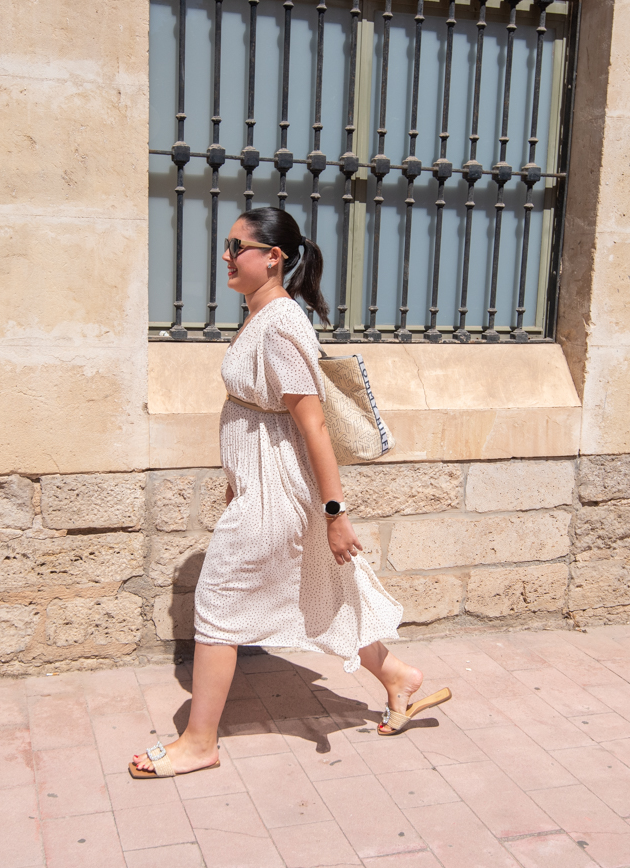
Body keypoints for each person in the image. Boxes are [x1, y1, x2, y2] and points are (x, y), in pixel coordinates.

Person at [130, 207, 450, 779]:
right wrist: (236, 482)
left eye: (236, 247)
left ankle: (200, 742)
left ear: (272, 257)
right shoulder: (260, 317)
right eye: (226, 246)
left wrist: (335, 513)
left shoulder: (280, 324)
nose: (225, 257)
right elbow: (255, 416)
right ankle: (399, 678)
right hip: (261, 486)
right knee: (323, 592)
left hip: (278, 493)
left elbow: (313, 425)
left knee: (218, 604)